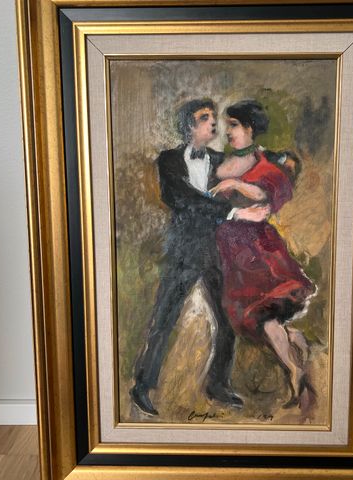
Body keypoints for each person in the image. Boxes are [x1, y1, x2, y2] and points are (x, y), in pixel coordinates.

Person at [130, 99, 272, 416]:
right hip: (182, 250)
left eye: (212, 116)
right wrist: (234, 212)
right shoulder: (168, 160)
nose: (213, 122)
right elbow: (182, 199)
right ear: (189, 126)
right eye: (204, 117)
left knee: (227, 319)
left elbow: (254, 168)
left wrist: (279, 162)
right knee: (164, 318)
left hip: (218, 250)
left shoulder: (221, 162)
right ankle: (143, 386)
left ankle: (218, 385)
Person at [210, 100, 316, 408]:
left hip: (256, 249)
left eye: (233, 125)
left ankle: (295, 372)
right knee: (253, 319)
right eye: (227, 125)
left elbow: (262, 194)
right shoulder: (222, 162)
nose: (228, 131)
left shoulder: (263, 163)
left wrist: (235, 184)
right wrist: (230, 193)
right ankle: (294, 339)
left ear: (250, 128)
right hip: (230, 252)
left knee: (263, 313)